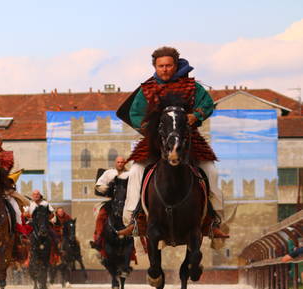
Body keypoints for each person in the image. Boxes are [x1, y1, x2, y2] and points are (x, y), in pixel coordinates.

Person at [116, 46, 228, 239]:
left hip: (189, 141)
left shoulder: (192, 87)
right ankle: (135, 220)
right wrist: (147, 127)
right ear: (155, 67)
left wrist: (196, 115)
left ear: (175, 65)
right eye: (161, 66)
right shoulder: (147, 89)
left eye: (168, 65)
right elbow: (135, 115)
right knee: (135, 172)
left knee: (211, 170)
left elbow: (207, 104)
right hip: (155, 143)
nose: (165, 69)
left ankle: (213, 221)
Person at [90, 156, 129, 251]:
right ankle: (98, 239)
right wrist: (106, 188)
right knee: (101, 216)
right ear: (115, 163)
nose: (120, 164)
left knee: (137, 218)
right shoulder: (109, 173)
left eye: (122, 162)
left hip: (127, 202)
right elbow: (99, 184)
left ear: (125, 163)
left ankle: (141, 241)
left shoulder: (130, 174)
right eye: (118, 162)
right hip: (113, 201)